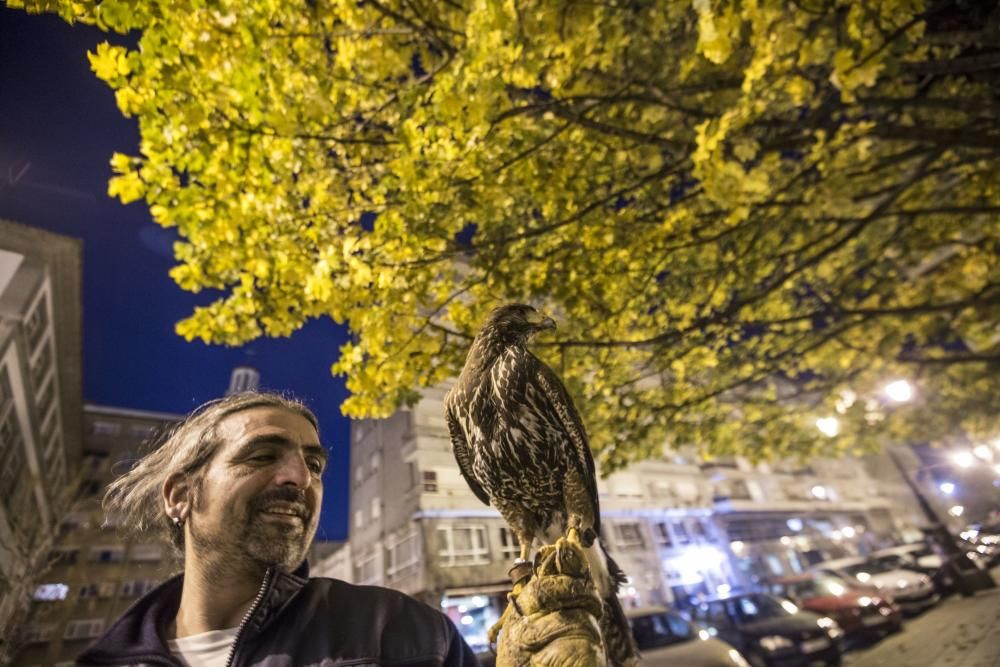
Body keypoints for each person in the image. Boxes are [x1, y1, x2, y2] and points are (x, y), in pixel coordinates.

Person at [77, 392, 478, 666]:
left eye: (315, 466)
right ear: (180, 495)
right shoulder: (107, 659)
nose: (300, 478)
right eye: (263, 455)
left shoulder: (400, 631)